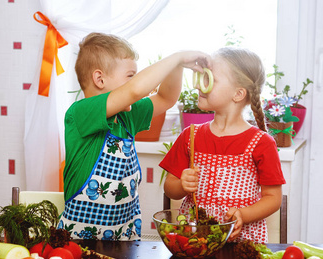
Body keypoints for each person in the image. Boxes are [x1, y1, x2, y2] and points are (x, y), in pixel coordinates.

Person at [58, 32, 211, 241]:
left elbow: (167, 98)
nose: (136, 82)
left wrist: (178, 66)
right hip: (79, 244)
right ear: (99, 79)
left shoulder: (126, 116)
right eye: (130, 75)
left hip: (124, 242)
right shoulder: (80, 113)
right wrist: (176, 56)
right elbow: (134, 91)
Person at [160, 47, 285, 243]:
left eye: (210, 79)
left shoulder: (261, 143)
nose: (200, 85)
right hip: (195, 240)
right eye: (202, 78)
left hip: (241, 243)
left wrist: (244, 214)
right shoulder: (190, 136)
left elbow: (273, 198)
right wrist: (182, 185)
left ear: (238, 94)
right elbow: (170, 188)